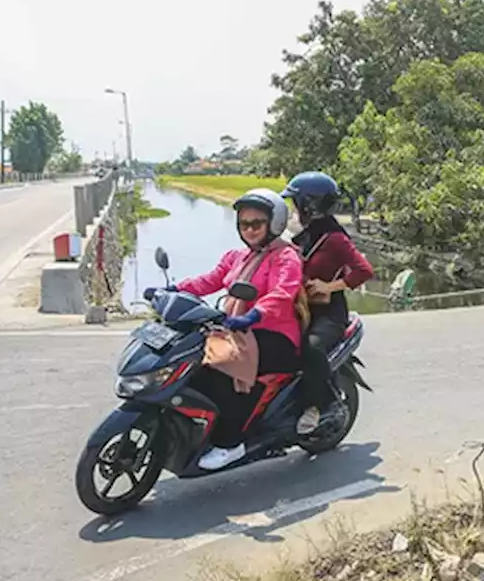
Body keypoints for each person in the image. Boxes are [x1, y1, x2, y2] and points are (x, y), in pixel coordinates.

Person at [149, 189, 303, 470]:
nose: (250, 229)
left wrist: (254, 314)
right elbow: (209, 280)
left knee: (221, 370)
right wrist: (171, 290)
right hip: (237, 329)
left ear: (275, 224)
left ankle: (231, 442)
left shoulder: (285, 257)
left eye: (257, 223)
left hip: (274, 336)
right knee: (192, 360)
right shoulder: (237, 256)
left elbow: (283, 293)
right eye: (244, 224)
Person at [284, 171, 374, 435]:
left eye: (295, 204)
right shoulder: (306, 234)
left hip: (328, 314)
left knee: (310, 348)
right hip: (300, 307)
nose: (292, 210)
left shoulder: (334, 238)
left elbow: (364, 270)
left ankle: (318, 405)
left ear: (309, 205)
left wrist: (329, 286)